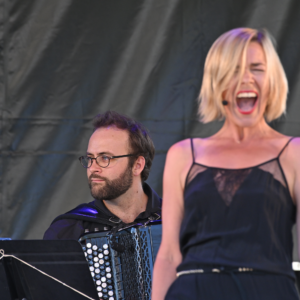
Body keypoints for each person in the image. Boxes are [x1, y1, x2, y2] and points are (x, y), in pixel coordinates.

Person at [152, 28, 300, 300]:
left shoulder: (294, 153)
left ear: (272, 80)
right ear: (217, 81)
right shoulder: (183, 155)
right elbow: (169, 254)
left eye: (256, 68)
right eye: (233, 70)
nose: (245, 78)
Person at [44, 111, 161, 240]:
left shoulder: (178, 221)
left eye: (105, 158)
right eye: (90, 158)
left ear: (137, 165)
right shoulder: (66, 231)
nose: (93, 168)